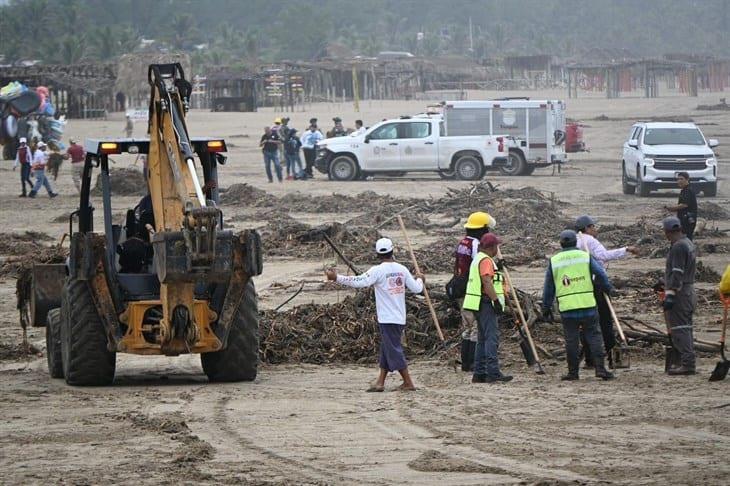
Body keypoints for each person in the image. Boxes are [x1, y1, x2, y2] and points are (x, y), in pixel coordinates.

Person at [325, 238, 424, 392]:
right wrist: (420, 279)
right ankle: (380, 382)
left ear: (378, 254)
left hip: (387, 318)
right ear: (393, 251)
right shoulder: (402, 269)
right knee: (386, 348)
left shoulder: (377, 271)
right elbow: (417, 289)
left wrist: (337, 278)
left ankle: (408, 382)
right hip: (399, 317)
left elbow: (359, 281)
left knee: (394, 350)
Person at [542, 230, 614, 381]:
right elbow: (601, 274)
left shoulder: (554, 261)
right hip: (587, 304)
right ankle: (600, 369)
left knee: (571, 340)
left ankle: (573, 372)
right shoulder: (585, 256)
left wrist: (546, 307)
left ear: (561, 243)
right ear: (575, 242)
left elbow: (549, 287)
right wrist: (607, 288)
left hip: (567, 308)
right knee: (594, 336)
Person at [575, 215, 640, 367]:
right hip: (596, 283)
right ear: (586, 228)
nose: (595, 230)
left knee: (586, 322)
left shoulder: (573, 241)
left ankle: (590, 359)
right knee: (605, 321)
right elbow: (603, 256)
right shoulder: (590, 240)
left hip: (582, 286)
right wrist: (626, 249)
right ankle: (611, 357)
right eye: (593, 227)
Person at [463, 233, 512, 383]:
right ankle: (493, 373)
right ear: (491, 247)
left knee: (482, 339)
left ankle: (479, 373)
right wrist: (496, 301)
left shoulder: (478, 259)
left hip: (477, 303)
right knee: (491, 338)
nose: (498, 249)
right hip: (485, 303)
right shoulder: (485, 260)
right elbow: (487, 281)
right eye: (496, 246)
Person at [453, 211, 496, 371]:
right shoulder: (476, 245)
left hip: (460, 287)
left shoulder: (463, 242)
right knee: (474, 328)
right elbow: (480, 264)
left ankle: (466, 363)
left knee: (467, 327)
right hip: (470, 290)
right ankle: (471, 363)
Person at [661, 216, 697, 375]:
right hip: (689, 291)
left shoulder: (678, 247)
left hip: (680, 293)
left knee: (680, 328)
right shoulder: (688, 243)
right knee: (686, 327)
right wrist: (663, 281)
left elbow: (677, 272)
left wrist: (670, 293)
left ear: (667, 232)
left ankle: (687, 364)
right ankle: (687, 361)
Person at [664, 172, 697, 240]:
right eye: (678, 179)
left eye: (681, 179)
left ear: (687, 179)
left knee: (686, 238)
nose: (679, 181)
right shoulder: (684, 190)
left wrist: (671, 208)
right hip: (683, 218)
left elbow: (684, 205)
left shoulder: (688, 190)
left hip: (688, 220)